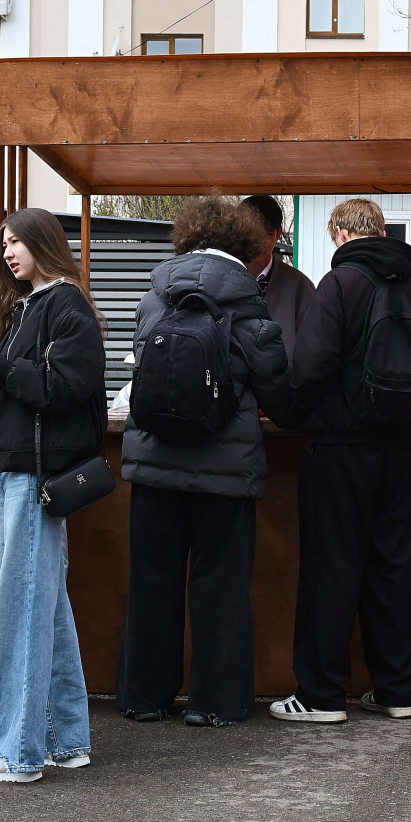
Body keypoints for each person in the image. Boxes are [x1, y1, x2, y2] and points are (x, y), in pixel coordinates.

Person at [116, 196, 296, 726]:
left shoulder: (154, 298)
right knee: (219, 586)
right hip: (225, 472)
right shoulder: (247, 304)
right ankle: (215, 703)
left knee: (152, 581)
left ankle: (144, 697)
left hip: (153, 465)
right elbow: (280, 395)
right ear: (243, 244)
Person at [271, 198, 411, 723]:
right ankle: (396, 691)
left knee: (331, 566)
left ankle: (322, 695)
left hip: (339, 447)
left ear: (344, 233)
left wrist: (294, 410)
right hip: (397, 449)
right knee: (390, 565)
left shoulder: (340, 283)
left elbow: (309, 366)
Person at [0, 208, 106, 783]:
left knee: (20, 607)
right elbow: (26, 389)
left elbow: (66, 387)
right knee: (47, 604)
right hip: (23, 471)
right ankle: (66, 740)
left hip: (34, 474)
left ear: (45, 243)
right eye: (5, 242)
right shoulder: (33, 305)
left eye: (18, 241)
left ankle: (16, 753)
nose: (8, 251)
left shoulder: (62, 306)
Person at [241, 194, 316, 358]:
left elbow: (312, 352)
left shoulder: (300, 287)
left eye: (266, 234)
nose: (258, 241)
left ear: (279, 233)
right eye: (251, 234)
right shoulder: (219, 279)